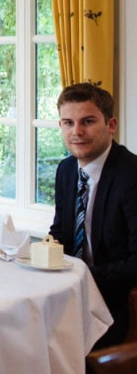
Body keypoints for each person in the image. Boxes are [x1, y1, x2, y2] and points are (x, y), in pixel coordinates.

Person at [49, 83, 137, 349]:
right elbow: (61, 234)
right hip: (71, 294)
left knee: (43, 343)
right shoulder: (66, 170)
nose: (76, 132)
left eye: (87, 121)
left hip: (115, 304)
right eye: (68, 122)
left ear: (111, 125)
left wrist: (80, 277)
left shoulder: (131, 175)